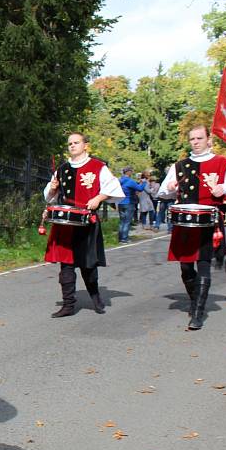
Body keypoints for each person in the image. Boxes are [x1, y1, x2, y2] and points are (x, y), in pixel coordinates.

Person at [160, 125, 226, 329]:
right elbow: (163, 192)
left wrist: (224, 188)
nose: (195, 142)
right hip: (184, 223)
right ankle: (195, 299)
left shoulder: (223, 163)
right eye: (192, 139)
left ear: (208, 139)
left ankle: (197, 312)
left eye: (199, 138)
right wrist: (169, 188)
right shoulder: (179, 166)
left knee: (203, 264)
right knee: (186, 268)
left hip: (208, 220)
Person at [44, 132, 124, 317]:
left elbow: (114, 187)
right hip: (65, 224)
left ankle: (95, 296)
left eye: (76, 142)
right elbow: (50, 196)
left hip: (86, 222)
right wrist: (53, 188)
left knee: (88, 266)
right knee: (66, 266)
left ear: (85, 145)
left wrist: (99, 197)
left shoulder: (98, 167)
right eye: (70, 143)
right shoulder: (62, 169)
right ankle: (68, 304)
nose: (72, 146)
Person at [117, 166, 145, 243]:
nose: (132, 173)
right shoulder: (130, 181)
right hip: (129, 202)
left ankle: (120, 238)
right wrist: (144, 182)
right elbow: (140, 188)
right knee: (127, 221)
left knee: (122, 221)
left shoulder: (119, 180)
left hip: (120, 202)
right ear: (128, 172)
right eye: (131, 171)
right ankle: (124, 239)